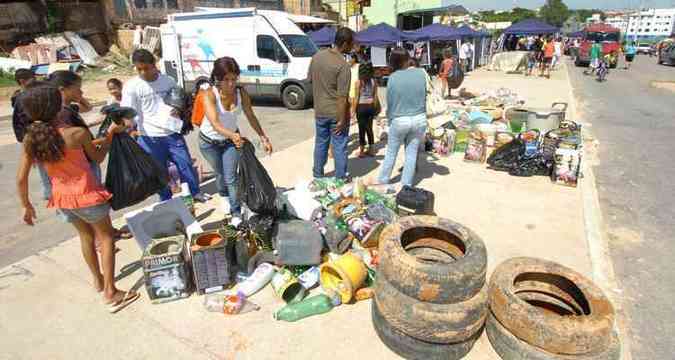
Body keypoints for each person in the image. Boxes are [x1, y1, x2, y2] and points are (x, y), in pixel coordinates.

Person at [17, 85, 139, 313]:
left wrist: (26, 205)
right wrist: (110, 135)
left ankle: (98, 280)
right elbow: (98, 158)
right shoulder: (76, 134)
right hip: (87, 195)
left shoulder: (32, 139)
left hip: (61, 198)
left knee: (85, 237)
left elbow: (21, 178)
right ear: (56, 108)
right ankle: (111, 292)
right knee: (105, 239)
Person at [121, 49, 205, 202]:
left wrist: (178, 109)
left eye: (146, 68)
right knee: (158, 172)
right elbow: (127, 111)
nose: (143, 72)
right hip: (149, 137)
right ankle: (166, 199)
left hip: (172, 132)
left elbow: (180, 99)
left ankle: (194, 193)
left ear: (154, 65)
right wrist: (129, 124)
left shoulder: (168, 81)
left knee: (185, 164)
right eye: (139, 69)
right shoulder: (131, 86)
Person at [199, 57, 272, 223]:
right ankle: (223, 195)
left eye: (234, 79)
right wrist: (233, 135)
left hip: (230, 142)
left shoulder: (241, 94)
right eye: (226, 80)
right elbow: (216, 124)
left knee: (231, 177)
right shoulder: (209, 95)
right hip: (209, 142)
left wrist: (263, 137)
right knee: (220, 172)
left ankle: (236, 212)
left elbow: (251, 116)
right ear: (218, 79)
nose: (231, 84)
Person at [308, 27, 354, 180]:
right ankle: (340, 178)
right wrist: (342, 119)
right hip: (336, 113)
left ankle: (318, 176)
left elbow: (310, 80)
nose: (353, 46)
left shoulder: (316, 57)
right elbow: (342, 97)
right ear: (345, 43)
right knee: (339, 146)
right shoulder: (343, 66)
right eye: (352, 43)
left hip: (320, 111)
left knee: (321, 143)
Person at [376, 48, 427, 187]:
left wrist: (389, 119)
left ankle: (383, 181)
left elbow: (390, 103)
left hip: (399, 120)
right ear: (407, 59)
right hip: (419, 118)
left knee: (391, 153)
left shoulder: (392, 78)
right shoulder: (420, 74)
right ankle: (406, 185)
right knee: (411, 154)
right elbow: (424, 97)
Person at [352, 62, 380, 158]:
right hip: (370, 106)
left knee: (361, 129)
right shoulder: (374, 81)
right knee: (369, 128)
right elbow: (375, 96)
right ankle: (372, 150)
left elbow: (356, 98)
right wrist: (375, 109)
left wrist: (353, 111)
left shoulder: (358, 82)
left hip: (361, 106)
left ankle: (362, 151)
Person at [11, 69, 35, 143]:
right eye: (33, 79)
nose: (35, 82)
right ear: (22, 81)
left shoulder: (19, 95)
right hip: (29, 135)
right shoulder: (21, 97)